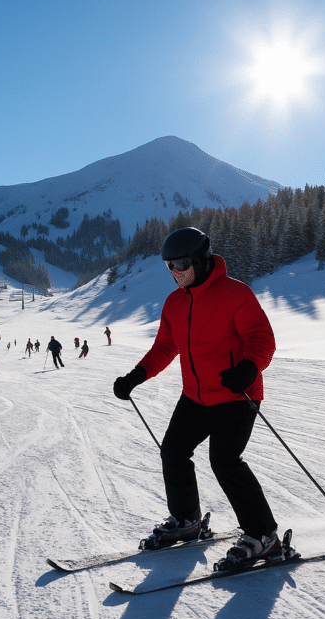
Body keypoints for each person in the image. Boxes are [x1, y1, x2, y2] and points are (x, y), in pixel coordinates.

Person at [112, 227, 279, 571]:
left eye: (183, 263)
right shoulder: (175, 302)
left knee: (225, 461)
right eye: (169, 266)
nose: (176, 271)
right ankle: (187, 520)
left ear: (203, 261)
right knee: (173, 451)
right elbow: (164, 347)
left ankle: (263, 535)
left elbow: (261, 338)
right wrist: (135, 377)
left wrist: (248, 369)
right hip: (196, 397)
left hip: (236, 395)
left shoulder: (235, 294)